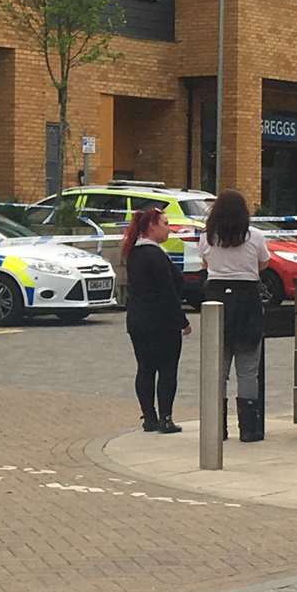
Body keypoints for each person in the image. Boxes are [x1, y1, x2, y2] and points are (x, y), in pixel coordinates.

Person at [198, 189, 270, 442]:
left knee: (218, 368)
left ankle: (217, 427)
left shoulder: (207, 238)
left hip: (216, 299)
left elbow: (206, 265)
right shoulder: (256, 237)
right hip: (247, 300)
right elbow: (264, 264)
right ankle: (249, 428)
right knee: (248, 369)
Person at [122, 206, 189, 435]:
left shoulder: (134, 253)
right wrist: (182, 320)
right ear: (152, 226)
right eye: (165, 224)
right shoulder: (156, 255)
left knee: (145, 368)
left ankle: (149, 417)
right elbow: (168, 291)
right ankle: (166, 418)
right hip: (161, 322)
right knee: (167, 369)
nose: (169, 229)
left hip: (137, 321)